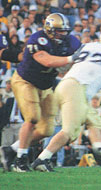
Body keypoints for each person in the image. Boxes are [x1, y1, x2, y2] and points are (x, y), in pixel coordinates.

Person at [28, 30, 101, 172]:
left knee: (95, 121)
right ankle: (40, 158)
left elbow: (70, 65)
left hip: (64, 84)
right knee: (68, 131)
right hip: (77, 90)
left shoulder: (88, 46)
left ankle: (99, 149)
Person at [1, 13, 81, 172]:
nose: (63, 35)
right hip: (26, 81)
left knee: (47, 130)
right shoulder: (37, 39)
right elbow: (47, 61)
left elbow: (80, 54)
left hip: (46, 85)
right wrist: (71, 59)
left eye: (65, 31)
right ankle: (20, 160)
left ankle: (10, 150)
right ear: (50, 30)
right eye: (59, 31)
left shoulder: (71, 41)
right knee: (32, 118)